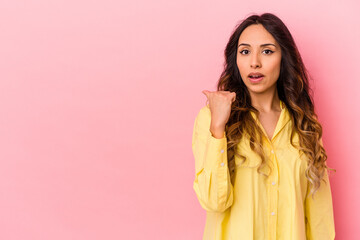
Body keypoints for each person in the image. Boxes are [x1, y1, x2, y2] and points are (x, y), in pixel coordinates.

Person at [191, 13, 336, 240]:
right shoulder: (211, 120)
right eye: (245, 51)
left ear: (283, 58)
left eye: (267, 51)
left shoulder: (305, 124)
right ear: (235, 60)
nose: (254, 62)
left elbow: (320, 216)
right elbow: (213, 201)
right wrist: (218, 128)